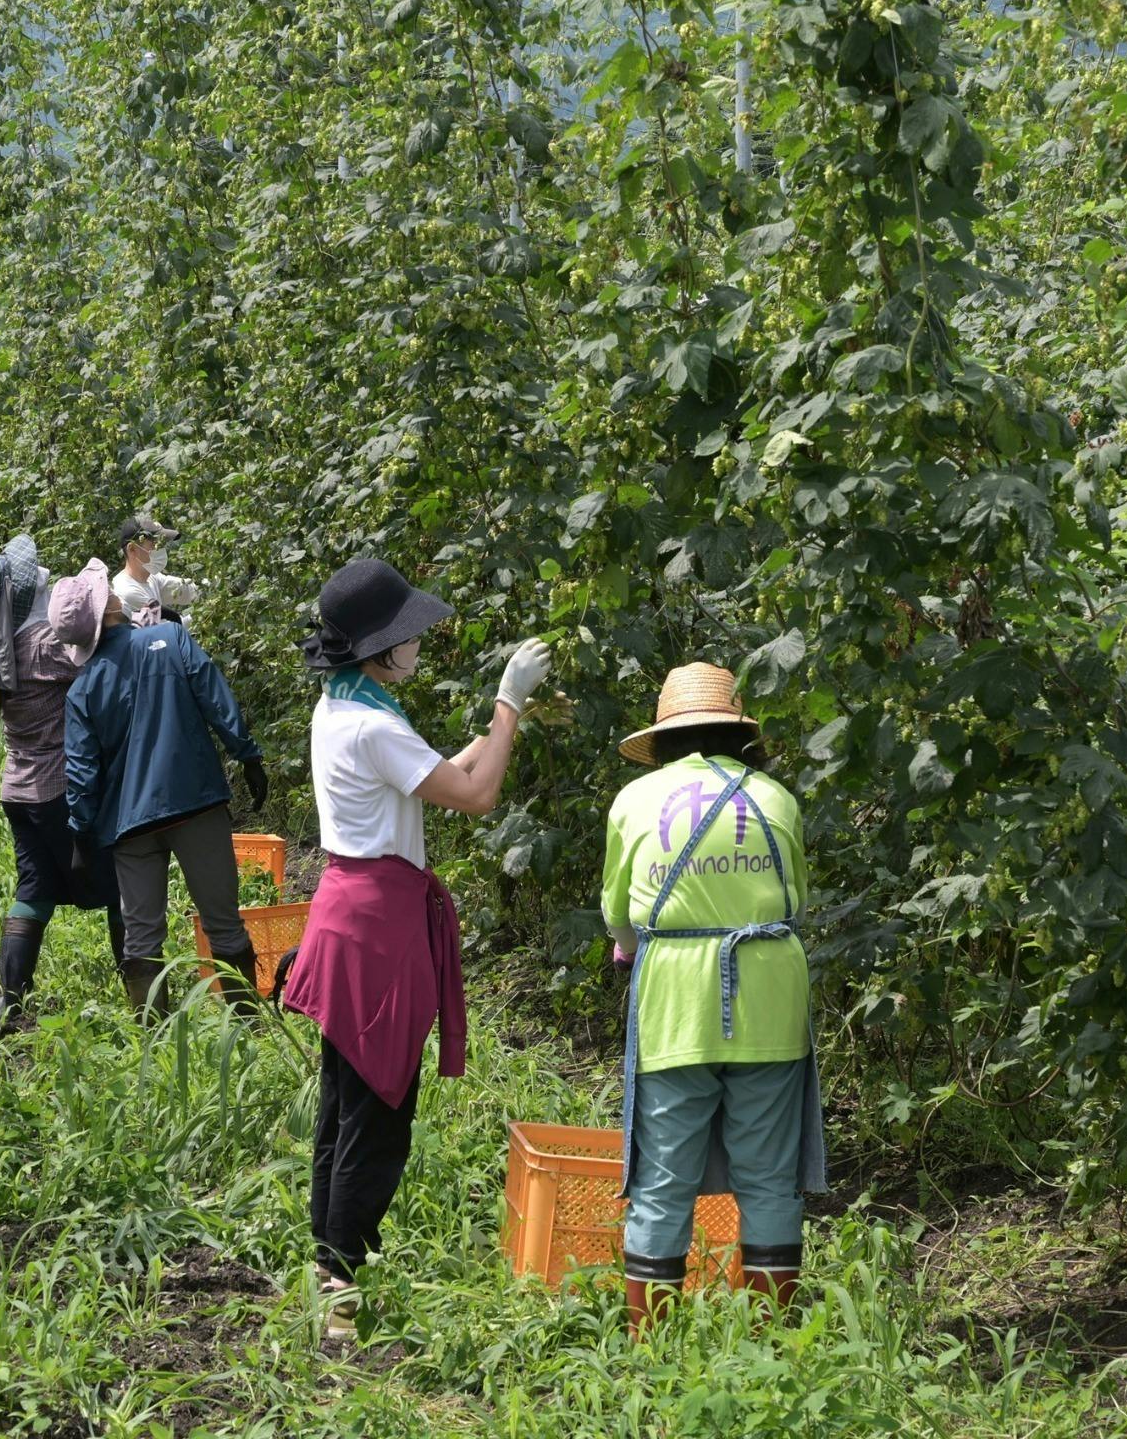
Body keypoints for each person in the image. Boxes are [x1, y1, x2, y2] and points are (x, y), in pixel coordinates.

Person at [277, 556, 551, 1337]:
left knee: (347, 1100)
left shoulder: (344, 704)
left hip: (350, 911)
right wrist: (508, 706)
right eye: (409, 635)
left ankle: (328, 1262)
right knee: (378, 1108)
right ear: (380, 648)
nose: (419, 644)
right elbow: (477, 795)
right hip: (376, 930)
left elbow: (431, 778)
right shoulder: (373, 724)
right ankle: (339, 1282)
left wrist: (487, 736)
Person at [601, 664, 823, 1328]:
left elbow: (618, 915)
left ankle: (650, 1343)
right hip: (771, 997)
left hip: (675, 1003)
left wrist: (631, 948)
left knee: (663, 1179)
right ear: (741, 734)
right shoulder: (776, 798)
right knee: (770, 1176)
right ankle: (774, 1337)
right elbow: (796, 904)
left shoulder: (636, 800)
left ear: (665, 738)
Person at [63, 585, 267, 1015]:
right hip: (196, 803)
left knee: (141, 936)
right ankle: (249, 1026)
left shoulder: (82, 689)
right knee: (223, 922)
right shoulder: (170, 639)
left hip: (129, 823)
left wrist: (80, 833)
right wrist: (246, 755)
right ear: (111, 607)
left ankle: (151, 1034)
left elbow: (82, 772)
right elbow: (215, 697)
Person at [0, 539, 117, 1030]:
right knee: (121, 882)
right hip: (58, 791)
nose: (43, 574)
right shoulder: (47, 645)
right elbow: (105, 660)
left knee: (35, 887)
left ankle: (10, 1004)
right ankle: (145, 1003)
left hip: (18, 792)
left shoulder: (6, 646)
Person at [109, 510, 202, 626]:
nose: (159, 549)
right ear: (132, 549)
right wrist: (200, 616)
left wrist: (214, 587)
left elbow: (188, 590)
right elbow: (167, 632)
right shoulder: (127, 592)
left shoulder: (151, 577)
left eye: (161, 544)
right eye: (153, 544)